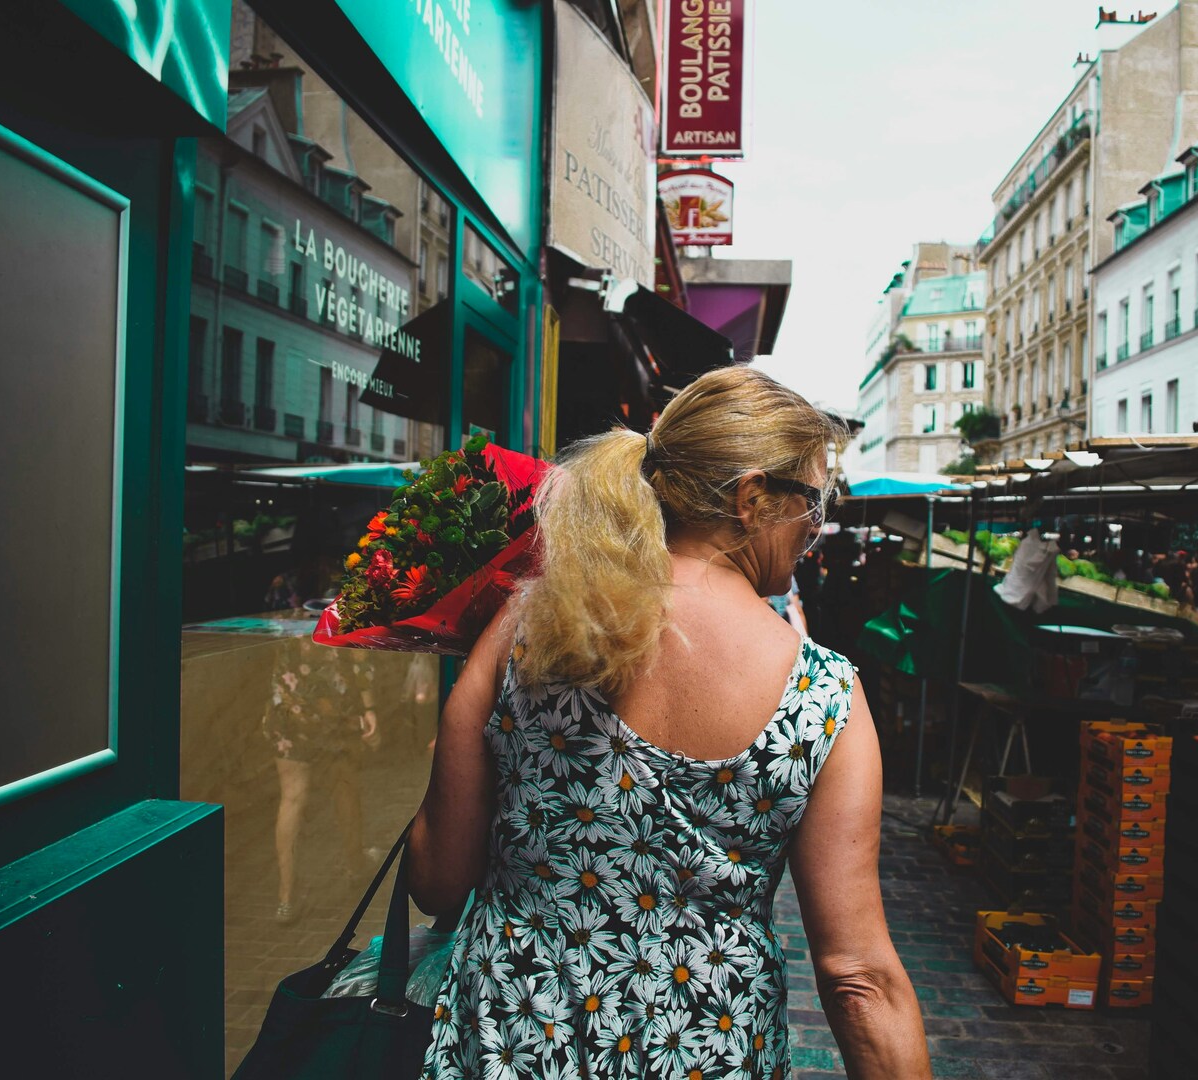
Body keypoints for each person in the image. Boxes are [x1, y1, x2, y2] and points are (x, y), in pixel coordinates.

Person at [408, 367, 929, 1078]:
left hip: (512, 1037)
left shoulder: (526, 624)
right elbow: (858, 979)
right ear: (751, 498)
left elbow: (435, 879)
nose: (818, 527)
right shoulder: (822, 696)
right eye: (814, 501)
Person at [261, 636, 381, 924]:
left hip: (289, 704)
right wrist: (368, 707)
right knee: (344, 785)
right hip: (331, 703)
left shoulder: (282, 595)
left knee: (291, 797)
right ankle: (355, 865)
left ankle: (286, 897)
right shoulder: (338, 595)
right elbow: (358, 654)